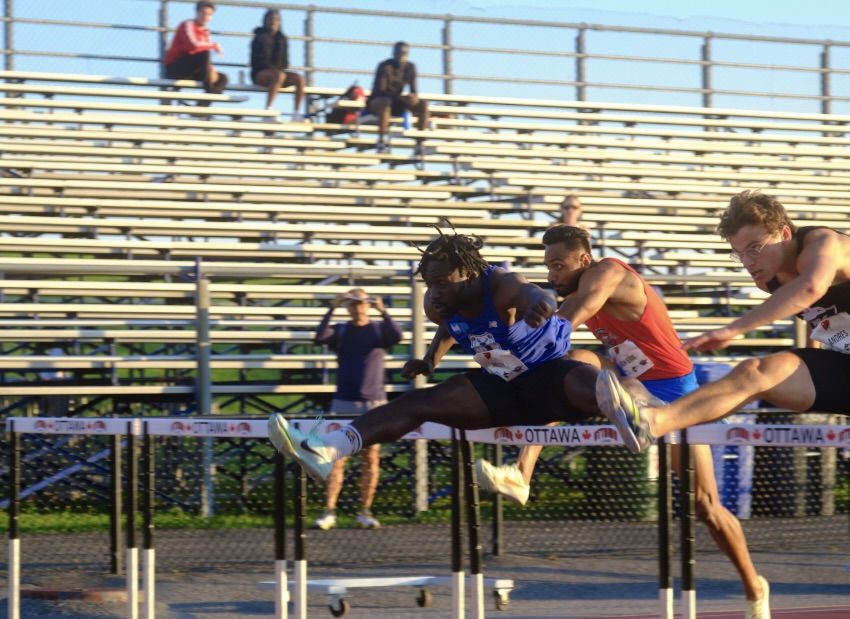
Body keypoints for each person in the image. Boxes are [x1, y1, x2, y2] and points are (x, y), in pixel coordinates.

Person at [476, 225, 770, 619]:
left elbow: (568, 319)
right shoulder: (577, 288)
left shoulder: (608, 273)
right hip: (627, 380)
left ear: (584, 259)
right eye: (547, 267)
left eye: (558, 265)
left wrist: (529, 332)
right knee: (567, 365)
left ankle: (754, 586)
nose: (551, 275)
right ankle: (521, 474)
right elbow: (550, 337)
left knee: (705, 506)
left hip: (675, 393)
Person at [269, 223, 606, 491]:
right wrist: (431, 360)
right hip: (503, 386)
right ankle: (326, 449)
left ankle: (629, 413)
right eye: (430, 284)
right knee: (419, 402)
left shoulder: (501, 285)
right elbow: (450, 326)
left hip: (548, 374)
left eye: (443, 283)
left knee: (591, 373)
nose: (435, 293)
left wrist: (542, 304)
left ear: (468, 276)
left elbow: (532, 291)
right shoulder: (436, 303)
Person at [311, 288, 403, 530]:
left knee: (370, 458)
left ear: (368, 305)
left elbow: (397, 336)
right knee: (336, 459)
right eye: (352, 304)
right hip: (344, 402)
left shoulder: (377, 330)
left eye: (361, 303)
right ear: (347, 307)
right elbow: (320, 337)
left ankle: (364, 511)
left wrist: (383, 311)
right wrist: (332, 307)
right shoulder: (341, 330)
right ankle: (328, 511)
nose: (357, 308)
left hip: (373, 403)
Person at [366, 42, 430, 155]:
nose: (400, 55)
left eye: (403, 53)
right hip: (378, 101)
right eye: (398, 52)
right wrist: (400, 97)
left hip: (397, 102)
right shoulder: (385, 66)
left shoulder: (410, 67)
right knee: (385, 103)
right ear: (393, 53)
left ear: (407, 54)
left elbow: (414, 89)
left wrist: (412, 97)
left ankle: (419, 143)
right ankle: (381, 141)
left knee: (423, 104)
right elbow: (379, 91)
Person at [163, 1, 227, 105]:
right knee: (204, 54)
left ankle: (201, 107)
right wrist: (214, 45)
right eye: (203, 13)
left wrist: (212, 71)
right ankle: (209, 90)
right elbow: (193, 46)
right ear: (196, 13)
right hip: (175, 68)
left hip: (192, 70)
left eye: (209, 14)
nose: (205, 17)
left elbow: (205, 60)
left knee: (223, 78)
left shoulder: (205, 33)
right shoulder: (187, 25)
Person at [250, 9, 307, 122]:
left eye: (276, 19)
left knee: (300, 78)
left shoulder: (282, 39)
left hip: (279, 72)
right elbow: (258, 61)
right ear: (265, 21)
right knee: (279, 75)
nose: (273, 22)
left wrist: (278, 69)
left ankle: (296, 113)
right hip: (260, 73)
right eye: (270, 19)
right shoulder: (259, 37)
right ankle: (268, 110)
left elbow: (285, 62)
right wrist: (272, 69)